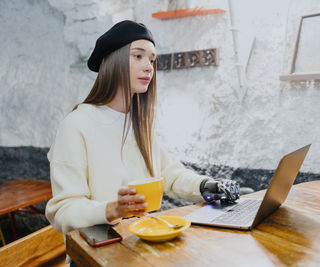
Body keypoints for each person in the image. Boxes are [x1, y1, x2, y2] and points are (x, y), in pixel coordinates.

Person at [45, 20, 239, 248]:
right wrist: (112, 209)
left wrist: (208, 186)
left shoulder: (140, 122)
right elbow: (62, 211)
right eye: (138, 56)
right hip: (97, 252)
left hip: (141, 242)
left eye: (152, 59)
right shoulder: (76, 125)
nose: (149, 67)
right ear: (113, 61)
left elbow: (170, 175)